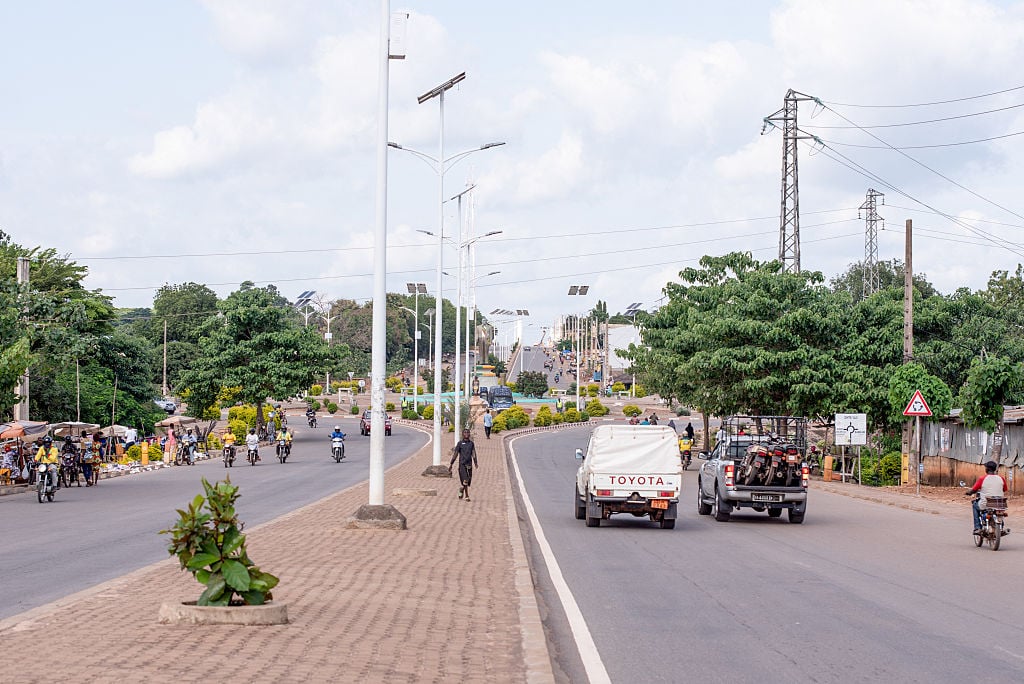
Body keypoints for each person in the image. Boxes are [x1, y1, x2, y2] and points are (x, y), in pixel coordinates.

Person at [966, 460, 1008, 533]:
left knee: (974, 505)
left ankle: (977, 527)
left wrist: (968, 492)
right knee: (1000, 513)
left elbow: (973, 490)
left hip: (985, 504)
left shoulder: (982, 479)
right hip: (999, 504)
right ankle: (1001, 527)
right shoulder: (1001, 478)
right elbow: (1004, 489)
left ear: (987, 469)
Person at [448, 428, 478, 502]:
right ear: (462, 434)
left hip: (469, 464)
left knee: (468, 480)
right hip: (462, 464)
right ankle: (467, 496)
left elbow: (473, 453)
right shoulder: (460, 443)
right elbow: (455, 454)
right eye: (465, 432)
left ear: (469, 434)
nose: (466, 434)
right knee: (465, 480)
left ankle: (462, 489)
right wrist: (451, 464)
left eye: (468, 432)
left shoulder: (471, 443)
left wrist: (475, 462)